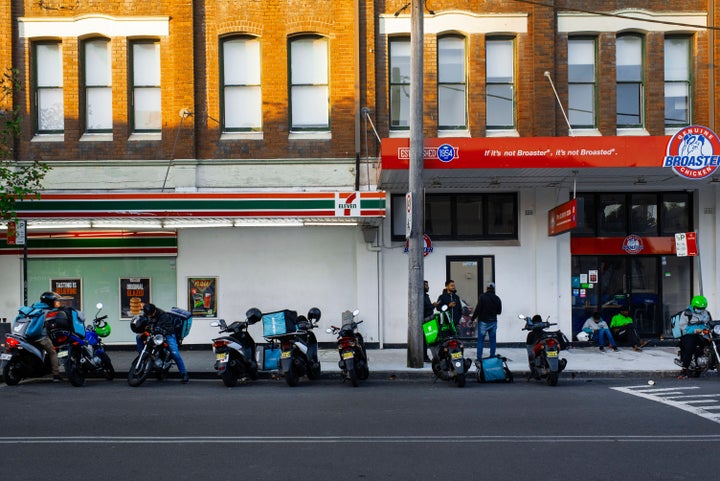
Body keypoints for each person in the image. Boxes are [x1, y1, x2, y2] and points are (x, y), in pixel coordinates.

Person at [137, 303, 189, 383]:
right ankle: (142, 357)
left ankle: (184, 374)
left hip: (168, 333)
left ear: (154, 311)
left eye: (151, 314)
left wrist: (152, 329)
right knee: (138, 337)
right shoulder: (146, 313)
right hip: (154, 331)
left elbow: (160, 327)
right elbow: (144, 322)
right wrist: (142, 329)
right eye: (148, 315)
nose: (149, 316)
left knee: (175, 353)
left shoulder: (163, 315)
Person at [678, 295, 712, 380]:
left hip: (703, 334)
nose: (700, 310)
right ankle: (684, 370)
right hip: (690, 334)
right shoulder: (687, 313)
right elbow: (683, 326)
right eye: (698, 308)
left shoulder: (706, 313)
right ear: (693, 306)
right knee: (690, 346)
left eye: (702, 308)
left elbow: (709, 323)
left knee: (713, 343)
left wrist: (708, 329)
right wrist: (695, 330)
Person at [35, 291, 63, 382]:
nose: (56, 303)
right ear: (50, 302)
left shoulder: (34, 308)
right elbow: (54, 323)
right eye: (55, 301)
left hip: (26, 336)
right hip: (41, 336)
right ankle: (56, 375)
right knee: (52, 352)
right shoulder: (49, 311)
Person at [471, 282, 502, 360]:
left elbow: (478, 309)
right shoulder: (497, 298)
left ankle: (479, 358)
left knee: (481, 340)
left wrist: (472, 318)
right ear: (493, 289)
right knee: (493, 340)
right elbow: (499, 312)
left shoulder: (482, 297)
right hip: (493, 322)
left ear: (486, 288)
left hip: (483, 321)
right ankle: (492, 356)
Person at [422, 280, 437, 362]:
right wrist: (432, 305)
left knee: (432, 339)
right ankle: (425, 357)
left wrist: (433, 306)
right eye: (426, 285)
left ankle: (433, 356)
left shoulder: (426, 296)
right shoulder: (421, 297)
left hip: (430, 319)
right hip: (426, 320)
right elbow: (423, 308)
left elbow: (428, 308)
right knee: (429, 340)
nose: (428, 287)